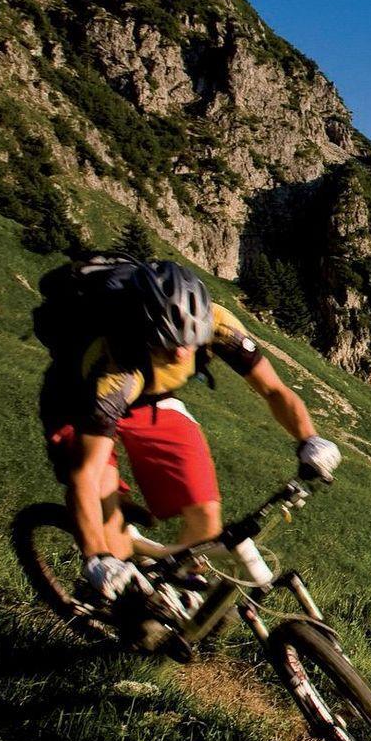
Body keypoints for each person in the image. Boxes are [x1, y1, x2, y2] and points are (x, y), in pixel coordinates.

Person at [38, 257, 339, 613]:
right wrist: (97, 558)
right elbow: (85, 476)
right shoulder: (115, 370)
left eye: (190, 341)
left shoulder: (219, 324)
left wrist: (309, 439)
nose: (182, 353)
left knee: (205, 513)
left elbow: (274, 390)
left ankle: (181, 594)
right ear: (144, 332)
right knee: (108, 511)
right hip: (79, 404)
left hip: (152, 400)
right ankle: (129, 609)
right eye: (168, 345)